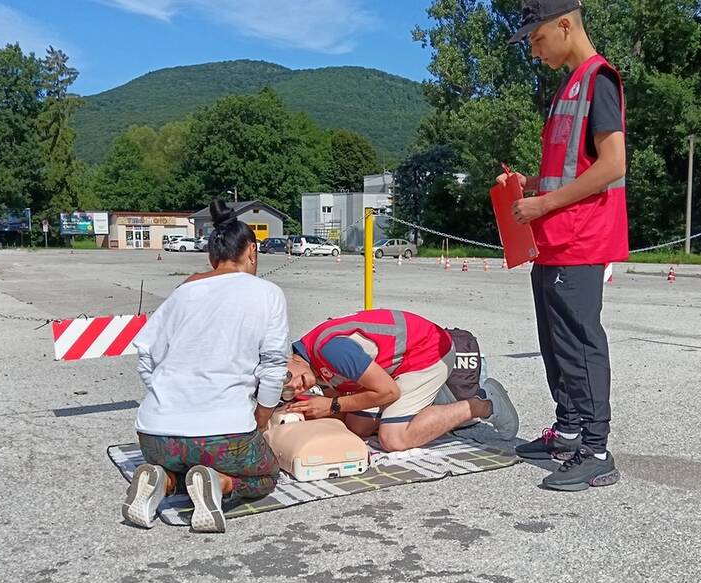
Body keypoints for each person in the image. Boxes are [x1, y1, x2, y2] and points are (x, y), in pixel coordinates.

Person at [500, 0, 627, 490]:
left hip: (579, 237)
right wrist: (530, 184)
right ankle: (569, 430)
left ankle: (597, 449)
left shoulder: (599, 80)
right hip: (552, 237)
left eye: (536, 39)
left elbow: (613, 164)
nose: (534, 50)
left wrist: (545, 201)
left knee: (579, 342)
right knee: (555, 344)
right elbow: (572, 167)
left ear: (564, 25)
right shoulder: (567, 88)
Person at [122, 199, 289, 534]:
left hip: (155, 437)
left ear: (212, 257)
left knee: (186, 461)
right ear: (252, 251)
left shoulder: (184, 291)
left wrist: (161, 394)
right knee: (268, 475)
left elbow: (146, 354)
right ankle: (221, 484)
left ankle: (165, 479)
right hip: (223, 436)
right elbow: (273, 366)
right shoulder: (268, 294)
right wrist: (260, 418)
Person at [284, 310, 519, 452]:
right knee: (359, 426)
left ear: (287, 357)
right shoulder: (308, 358)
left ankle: (483, 403)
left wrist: (332, 405)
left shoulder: (331, 349)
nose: (294, 386)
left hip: (430, 352)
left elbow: (389, 392)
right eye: (285, 391)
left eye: (286, 377)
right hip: (400, 361)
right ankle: (433, 398)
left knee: (393, 438)